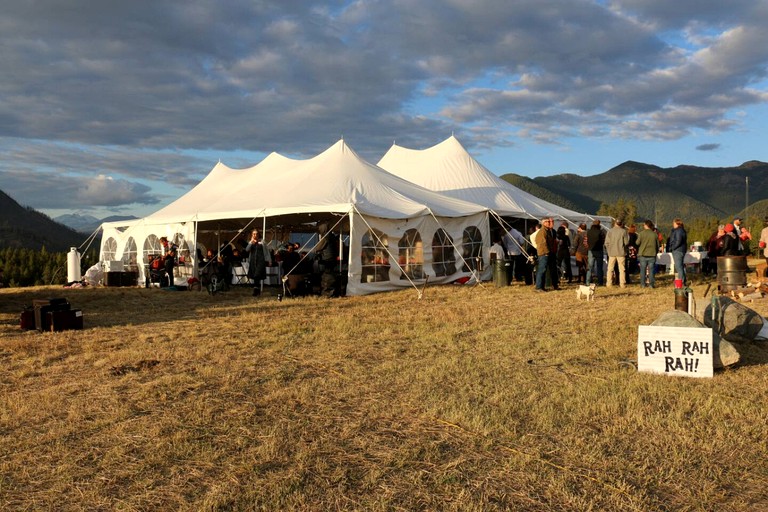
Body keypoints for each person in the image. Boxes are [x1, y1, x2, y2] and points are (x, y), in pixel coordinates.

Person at [315, 221, 340, 297]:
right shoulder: (331, 236)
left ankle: (327, 292)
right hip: (332, 258)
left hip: (327, 259)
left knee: (327, 276)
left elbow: (317, 248)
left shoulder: (326, 237)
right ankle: (331, 291)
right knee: (331, 275)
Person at [533, 218, 558, 292]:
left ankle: (550, 285)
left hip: (549, 253)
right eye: (548, 222)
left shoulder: (550, 231)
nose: (550, 223)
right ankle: (539, 287)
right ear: (544, 223)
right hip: (544, 253)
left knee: (551, 269)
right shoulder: (542, 231)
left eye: (551, 221)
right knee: (542, 270)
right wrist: (546, 252)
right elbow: (542, 243)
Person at [605, 219, 629, 287]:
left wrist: (609, 251)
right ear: (621, 224)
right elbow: (626, 243)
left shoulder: (610, 231)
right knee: (622, 269)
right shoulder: (624, 231)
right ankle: (622, 284)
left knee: (610, 269)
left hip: (611, 253)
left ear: (615, 223)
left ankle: (609, 283)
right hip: (621, 252)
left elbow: (606, 243)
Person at [636, 220, 659, 288]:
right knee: (651, 270)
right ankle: (651, 285)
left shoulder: (641, 233)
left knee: (643, 270)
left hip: (643, 254)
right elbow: (657, 245)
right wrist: (656, 252)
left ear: (646, 225)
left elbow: (637, 243)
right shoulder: (654, 234)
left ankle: (643, 284)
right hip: (652, 254)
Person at [245, 229, 267, 296]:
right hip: (253, 260)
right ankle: (257, 290)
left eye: (256, 233)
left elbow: (266, 251)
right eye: (254, 234)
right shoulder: (250, 242)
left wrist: (269, 260)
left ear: (258, 234)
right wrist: (251, 242)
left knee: (257, 274)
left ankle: (255, 290)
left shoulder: (262, 241)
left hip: (261, 260)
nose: (255, 235)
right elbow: (247, 249)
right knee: (255, 275)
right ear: (252, 235)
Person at [667, 218, 688, 284]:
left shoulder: (678, 231)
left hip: (678, 250)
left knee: (679, 266)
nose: (673, 224)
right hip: (681, 250)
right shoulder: (681, 230)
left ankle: (681, 281)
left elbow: (678, 241)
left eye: (674, 223)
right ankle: (683, 280)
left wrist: (672, 248)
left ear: (677, 223)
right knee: (680, 266)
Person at [586, 220, 605, 286]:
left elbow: (587, 241)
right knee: (599, 267)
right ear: (599, 224)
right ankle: (600, 282)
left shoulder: (589, 232)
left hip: (591, 250)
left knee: (590, 267)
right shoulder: (600, 232)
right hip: (599, 250)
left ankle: (588, 282)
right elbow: (603, 241)